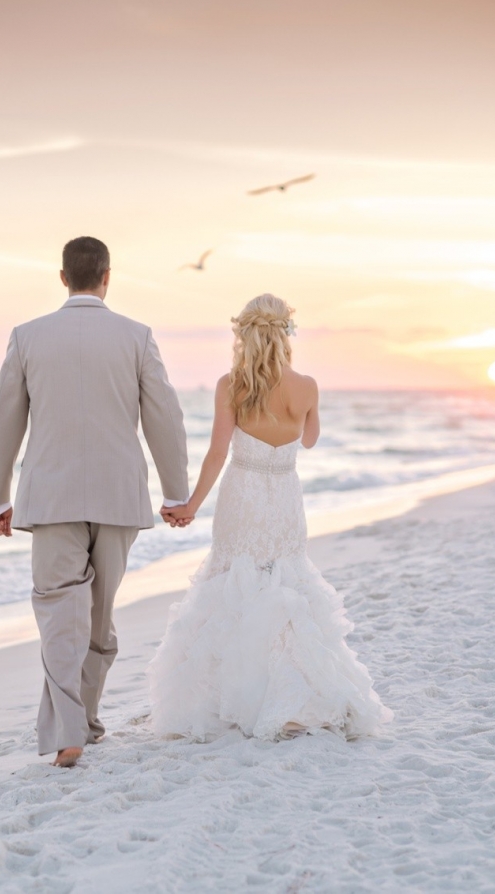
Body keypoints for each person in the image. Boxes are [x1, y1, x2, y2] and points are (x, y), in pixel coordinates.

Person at [0, 236, 189, 767]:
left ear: (62, 277)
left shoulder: (27, 336)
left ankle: (75, 728)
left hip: (50, 498)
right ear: (106, 276)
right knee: (97, 619)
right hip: (119, 498)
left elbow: (4, 424)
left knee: (59, 614)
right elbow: (164, 416)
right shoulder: (137, 336)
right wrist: (175, 493)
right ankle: (83, 722)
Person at [153, 294, 392, 741]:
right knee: (284, 585)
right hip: (285, 497)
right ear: (286, 334)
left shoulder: (233, 385)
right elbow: (311, 440)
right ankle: (292, 693)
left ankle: (233, 697)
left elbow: (217, 454)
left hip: (242, 496)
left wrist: (190, 506)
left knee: (233, 584)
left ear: (244, 335)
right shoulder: (308, 386)